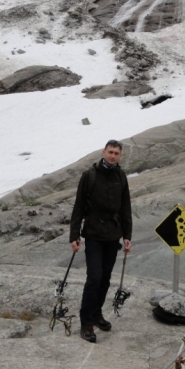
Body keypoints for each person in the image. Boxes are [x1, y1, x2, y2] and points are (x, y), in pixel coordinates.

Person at [70, 139, 133, 343]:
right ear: (103, 152)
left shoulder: (121, 177)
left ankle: (97, 314)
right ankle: (86, 322)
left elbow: (126, 209)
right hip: (94, 234)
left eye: (116, 153)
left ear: (120, 156)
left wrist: (127, 236)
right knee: (94, 277)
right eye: (110, 152)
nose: (113, 155)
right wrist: (74, 235)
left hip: (113, 235)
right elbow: (78, 207)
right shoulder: (89, 176)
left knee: (105, 278)